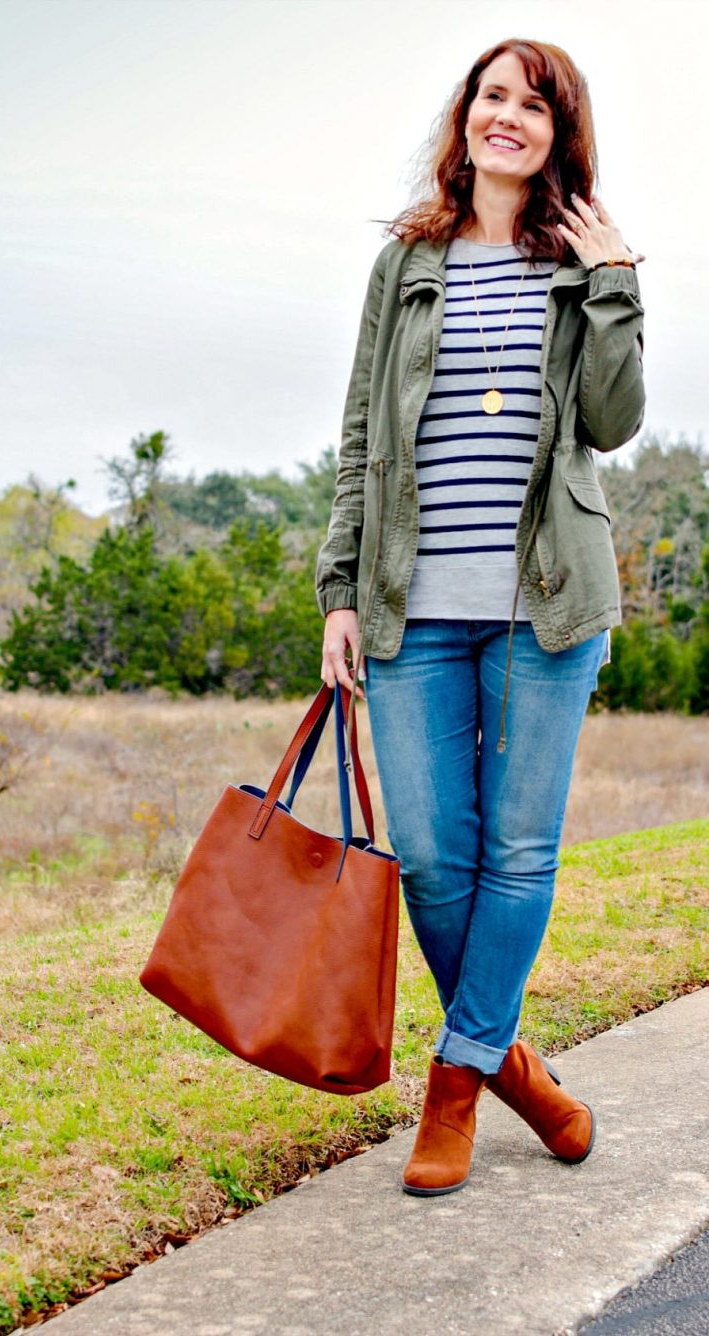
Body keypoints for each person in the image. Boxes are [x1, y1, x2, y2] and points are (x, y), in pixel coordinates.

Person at [316, 37, 645, 1196]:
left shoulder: (583, 262)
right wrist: (341, 591)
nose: (508, 117)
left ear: (560, 133)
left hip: (547, 611)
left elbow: (609, 424)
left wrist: (614, 290)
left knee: (518, 850)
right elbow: (362, 439)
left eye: (533, 105)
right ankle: (514, 1067)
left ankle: (454, 1087)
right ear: (467, 117)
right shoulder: (406, 261)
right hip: (412, 609)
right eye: (492, 96)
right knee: (435, 860)